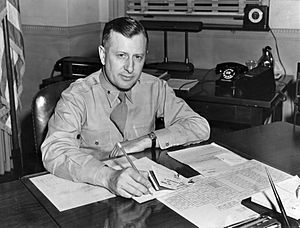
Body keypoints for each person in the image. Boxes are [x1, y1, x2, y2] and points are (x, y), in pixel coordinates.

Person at [41, 17, 210, 198]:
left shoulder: (155, 87)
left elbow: (199, 126)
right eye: (121, 56)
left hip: (144, 190)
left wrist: (149, 139)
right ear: (103, 55)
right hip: (94, 192)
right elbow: (54, 150)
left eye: (138, 57)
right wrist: (108, 177)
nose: (130, 68)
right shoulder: (77, 96)